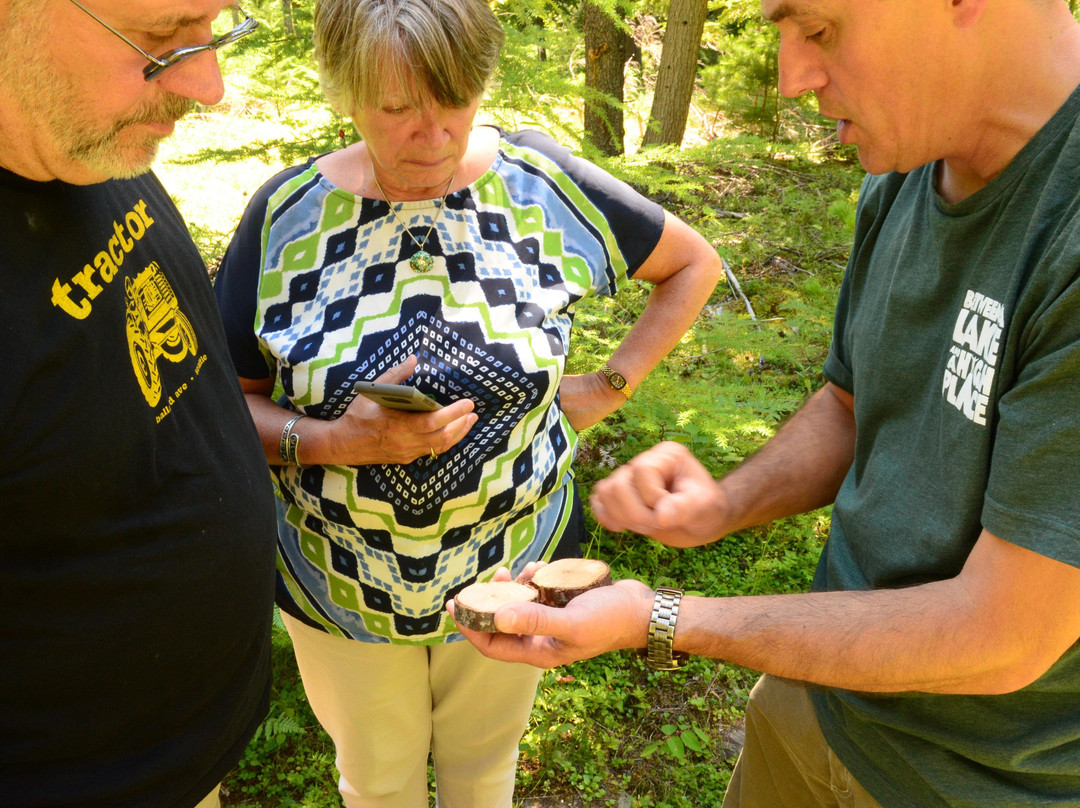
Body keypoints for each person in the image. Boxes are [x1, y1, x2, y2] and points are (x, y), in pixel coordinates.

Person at [452, 0, 1080, 806]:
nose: (791, 78)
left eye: (817, 29)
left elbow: (1005, 634)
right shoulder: (911, 158)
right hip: (815, 699)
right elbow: (851, 403)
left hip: (975, 782)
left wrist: (664, 619)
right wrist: (726, 504)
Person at [212, 0, 721, 805]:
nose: (433, 134)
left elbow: (692, 265)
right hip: (341, 580)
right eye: (396, 107)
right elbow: (225, 407)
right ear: (346, 93)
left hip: (514, 561)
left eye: (455, 99)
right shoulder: (285, 219)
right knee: (376, 783)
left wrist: (606, 388)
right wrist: (339, 442)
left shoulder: (540, 185)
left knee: (484, 772)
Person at [0, 2, 278, 807]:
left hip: (188, 756)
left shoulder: (82, 140)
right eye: (161, 39)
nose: (209, 85)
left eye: (216, 26)